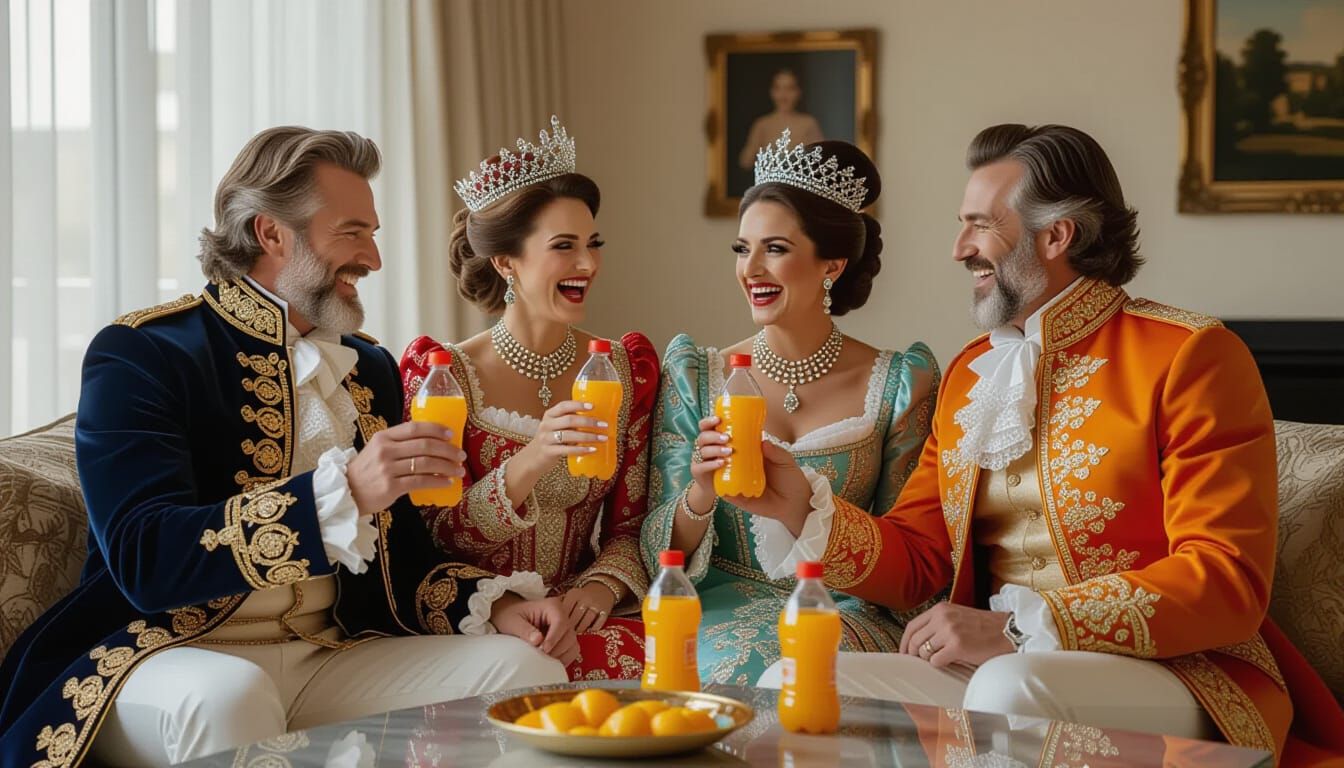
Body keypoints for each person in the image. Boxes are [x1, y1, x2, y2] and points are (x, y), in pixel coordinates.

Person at [749, 123, 1344, 765]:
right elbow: (921, 558)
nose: (959, 249)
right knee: (796, 682)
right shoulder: (969, 373)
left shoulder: (1191, 355)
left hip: (1183, 673)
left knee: (1010, 688)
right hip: (1001, 669)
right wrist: (802, 508)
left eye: (980, 226)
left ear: (1057, 236)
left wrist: (1019, 627)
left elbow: (1226, 579)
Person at [0, 127, 573, 768]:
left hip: (325, 652)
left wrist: (496, 605)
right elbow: (144, 556)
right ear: (272, 233)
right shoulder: (144, 352)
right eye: (352, 233)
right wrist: (345, 492)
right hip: (163, 652)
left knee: (520, 669)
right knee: (229, 697)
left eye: (373, 233)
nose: (373, 258)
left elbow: (404, 561)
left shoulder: (369, 368)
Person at [642, 130, 938, 685]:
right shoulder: (694, 374)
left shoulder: (901, 383)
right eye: (742, 249)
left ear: (832, 265)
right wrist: (700, 492)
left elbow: (911, 552)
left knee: (799, 670)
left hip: (844, 611)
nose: (750, 268)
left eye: (774, 249)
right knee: (718, 671)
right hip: (718, 608)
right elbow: (657, 549)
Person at [400, 117, 656, 681]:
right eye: (564, 246)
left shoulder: (626, 370)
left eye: (592, 244)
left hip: (587, 613)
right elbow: (435, 535)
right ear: (505, 261)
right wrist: (533, 458)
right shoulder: (442, 377)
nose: (588, 264)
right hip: (480, 616)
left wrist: (601, 585)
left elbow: (631, 526)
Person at [738, 68, 824, 170]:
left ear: (798, 92)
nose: (783, 95)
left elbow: (823, 158)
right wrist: (758, 150)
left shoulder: (808, 123)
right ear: (772, 92)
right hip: (770, 178)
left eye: (790, 88)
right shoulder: (762, 124)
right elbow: (745, 161)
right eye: (778, 88)